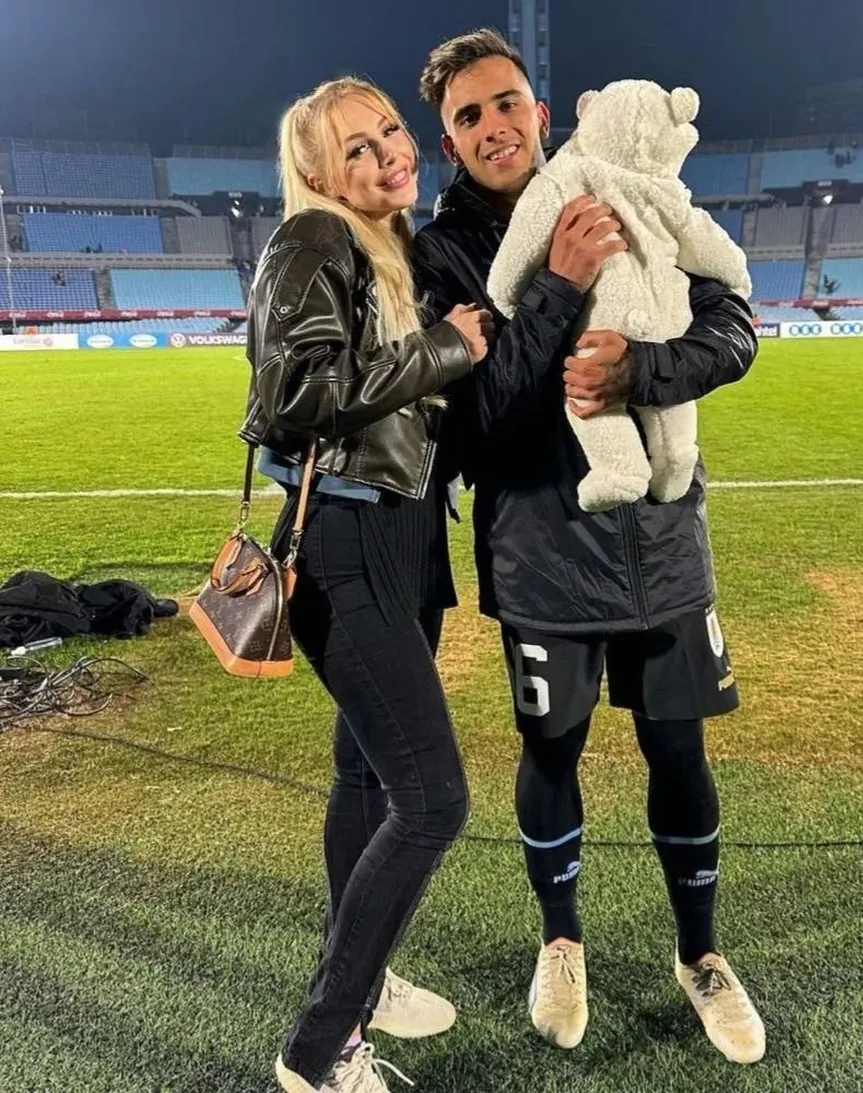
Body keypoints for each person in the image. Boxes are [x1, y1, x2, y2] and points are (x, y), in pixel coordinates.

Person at [411, 29, 767, 1065]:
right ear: (450, 141)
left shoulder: (635, 182)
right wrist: (559, 285)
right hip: (538, 550)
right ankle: (559, 939)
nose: (493, 127)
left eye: (505, 102)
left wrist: (646, 371)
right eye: (468, 116)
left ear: (542, 108)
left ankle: (698, 955)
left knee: (678, 748)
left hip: (660, 539)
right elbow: (477, 427)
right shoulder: (443, 255)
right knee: (550, 750)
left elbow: (736, 325)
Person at [240, 76, 494, 1093]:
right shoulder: (315, 241)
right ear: (315, 173)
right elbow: (293, 390)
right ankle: (317, 1047)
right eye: (354, 148)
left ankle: (365, 977)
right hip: (343, 540)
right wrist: (447, 348)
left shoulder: (378, 245)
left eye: (388, 130)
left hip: (397, 535)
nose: (386, 150)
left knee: (365, 777)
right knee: (433, 799)